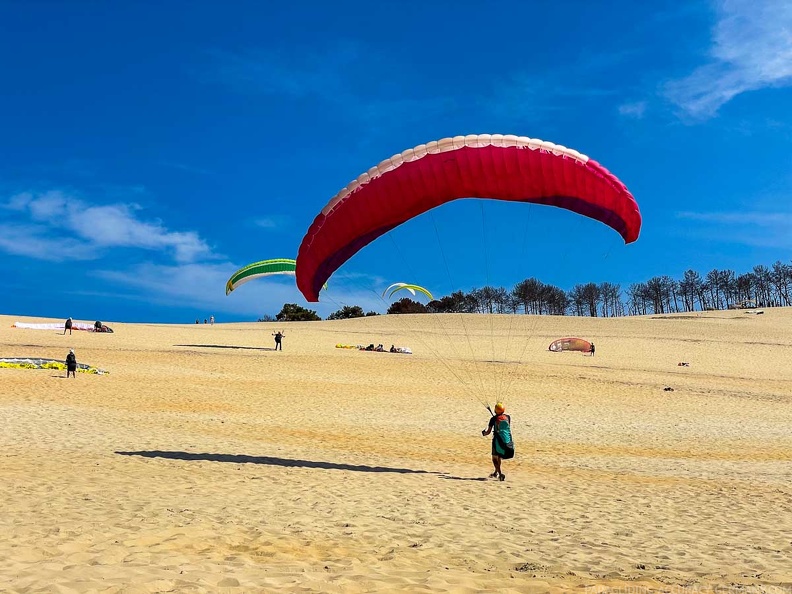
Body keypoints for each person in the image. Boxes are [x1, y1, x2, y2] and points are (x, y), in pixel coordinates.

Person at [481, 402, 513, 481]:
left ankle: (500, 474)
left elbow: (488, 432)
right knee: (498, 456)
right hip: (506, 440)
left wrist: (484, 433)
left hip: (497, 441)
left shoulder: (493, 419)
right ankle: (496, 472)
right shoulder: (508, 417)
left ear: (495, 410)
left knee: (495, 458)